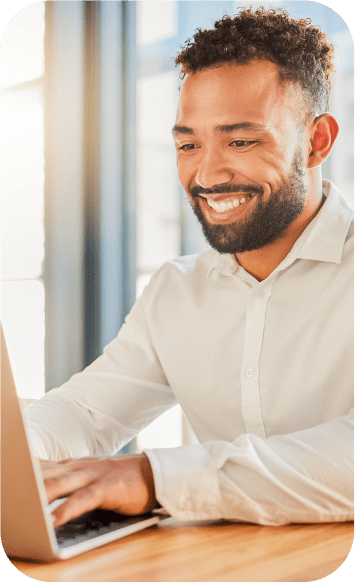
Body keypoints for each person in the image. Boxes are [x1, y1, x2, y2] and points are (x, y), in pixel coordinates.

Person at [26, 7, 353, 528]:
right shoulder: (178, 291)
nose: (206, 173)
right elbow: (86, 415)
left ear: (317, 143)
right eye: (188, 144)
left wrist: (155, 478)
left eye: (241, 141)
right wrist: (17, 455)